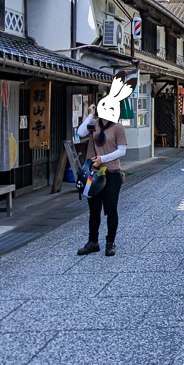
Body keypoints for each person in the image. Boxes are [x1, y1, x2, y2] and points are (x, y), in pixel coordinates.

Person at [76, 103, 127, 256]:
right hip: (93, 173)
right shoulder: (93, 124)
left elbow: (121, 151)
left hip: (111, 172)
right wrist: (90, 115)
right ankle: (93, 242)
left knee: (111, 209)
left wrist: (102, 158)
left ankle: (110, 243)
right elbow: (80, 132)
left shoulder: (118, 127)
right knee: (94, 209)